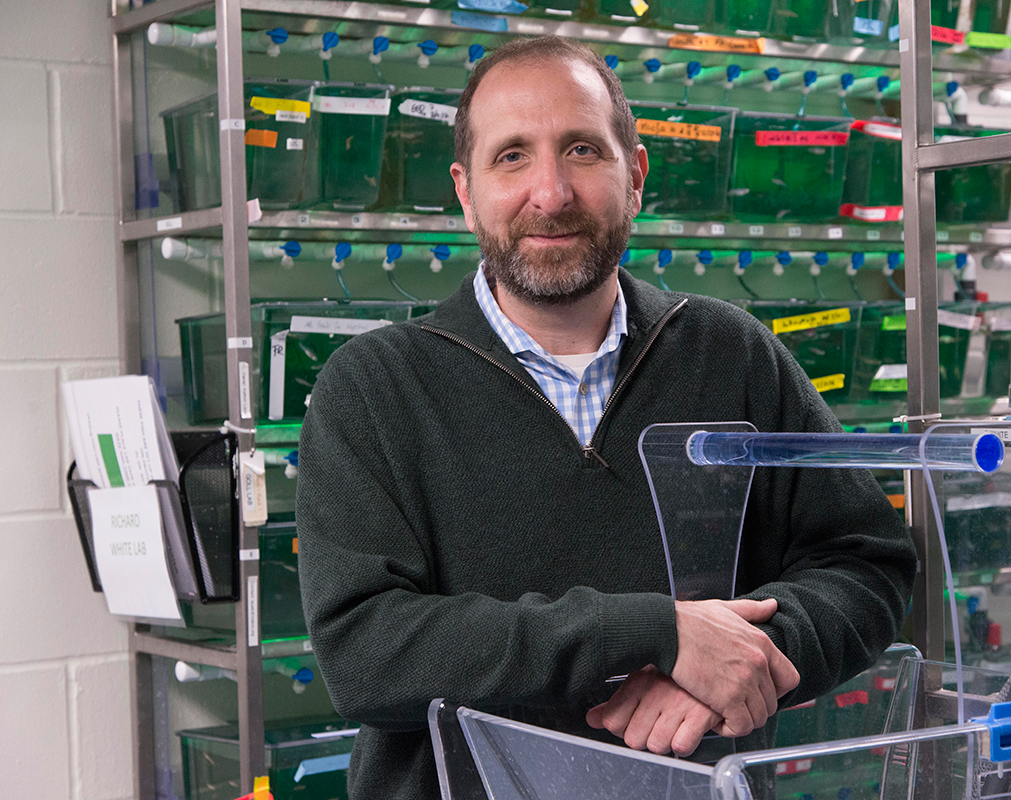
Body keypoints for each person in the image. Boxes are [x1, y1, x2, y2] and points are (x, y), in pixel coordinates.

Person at [297, 35, 916, 800]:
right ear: (465, 190)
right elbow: (366, 653)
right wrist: (656, 632)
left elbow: (866, 562)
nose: (551, 193)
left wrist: (741, 660)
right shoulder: (374, 388)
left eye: (583, 150)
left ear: (636, 176)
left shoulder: (733, 354)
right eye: (512, 156)